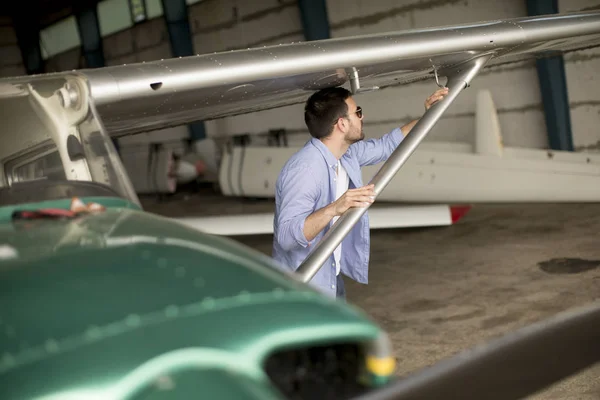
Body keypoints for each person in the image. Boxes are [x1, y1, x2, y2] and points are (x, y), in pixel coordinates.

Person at [272, 85, 449, 299]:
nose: (362, 116)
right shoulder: (305, 170)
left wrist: (429, 113)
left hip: (329, 274)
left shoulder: (347, 154)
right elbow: (287, 236)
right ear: (342, 124)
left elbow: (388, 145)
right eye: (357, 112)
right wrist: (334, 208)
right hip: (303, 288)